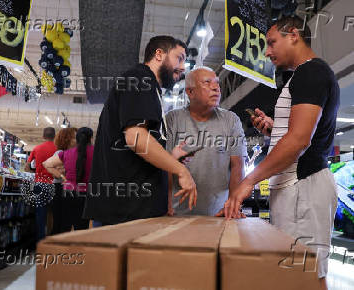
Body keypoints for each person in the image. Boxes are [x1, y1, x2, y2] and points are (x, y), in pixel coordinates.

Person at [222, 16, 340, 289]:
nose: (267, 51)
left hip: (304, 188)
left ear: (294, 35)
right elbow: (301, 134)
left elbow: (299, 140)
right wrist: (274, 130)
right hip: (296, 189)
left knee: (305, 274)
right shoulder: (302, 76)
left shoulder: (312, 72)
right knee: (295, 272)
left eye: (272, 42)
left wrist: (248, 181)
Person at [84, 35, 197, 226]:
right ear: (159, 54)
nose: (183, 67)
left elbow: (140, 142)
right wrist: (181, 171)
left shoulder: (150, 87)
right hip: (125, 213)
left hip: (134, 210)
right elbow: (136, 138)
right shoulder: (140, 78)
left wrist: (171, 156)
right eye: (179, 58)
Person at [166, 66, 246, 216]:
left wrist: (232, 205)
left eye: (216, 83)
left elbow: (237, 165)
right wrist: (167, 205)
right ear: (190, 92)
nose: (216, 88)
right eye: (207, 82)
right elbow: (164, 165)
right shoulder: (173, 119)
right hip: (177, 214)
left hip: (220, 215)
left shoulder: (231, 120)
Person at [43, 127, 94, 232]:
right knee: (82, 228)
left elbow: (46, 164)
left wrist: (63, 177)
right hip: (87, 193)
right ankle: (78, 248)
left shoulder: (67, 153)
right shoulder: (97, 152)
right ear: (91, 138)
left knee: (64, 225)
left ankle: (61, 247)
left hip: (68, 193)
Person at [25, 127, 57, 241]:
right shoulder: (58, 149)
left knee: (40, 215)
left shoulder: (37, 148)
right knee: (53, 214)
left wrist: (33, 175)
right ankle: (51, 239)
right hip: (53, 184)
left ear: (43, 136)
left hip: (39, 184)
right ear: (54, 136)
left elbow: (27, 166)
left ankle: (40, 242)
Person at [50, 127, 77, 234]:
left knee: (66, 223)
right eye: (75, 137)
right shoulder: (60, 153)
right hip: (60, 190)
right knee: (61, 223)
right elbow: (57, 174)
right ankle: (55, 249)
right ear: (67, 139)